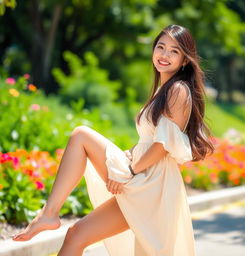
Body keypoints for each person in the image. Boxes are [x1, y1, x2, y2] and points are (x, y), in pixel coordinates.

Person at [12, 24, 214, 256]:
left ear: (185, 60)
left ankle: (49, 214)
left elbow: (162, 146)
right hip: (144, 175)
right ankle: (49, 214)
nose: (164, 55)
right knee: (76, 235)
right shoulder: (165, 89)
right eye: (160, 47)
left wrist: (128, 170)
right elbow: (150, 141)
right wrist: (129, 159)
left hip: (152, 183)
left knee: (81, 136)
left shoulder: (178, 90)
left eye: (174, 51)